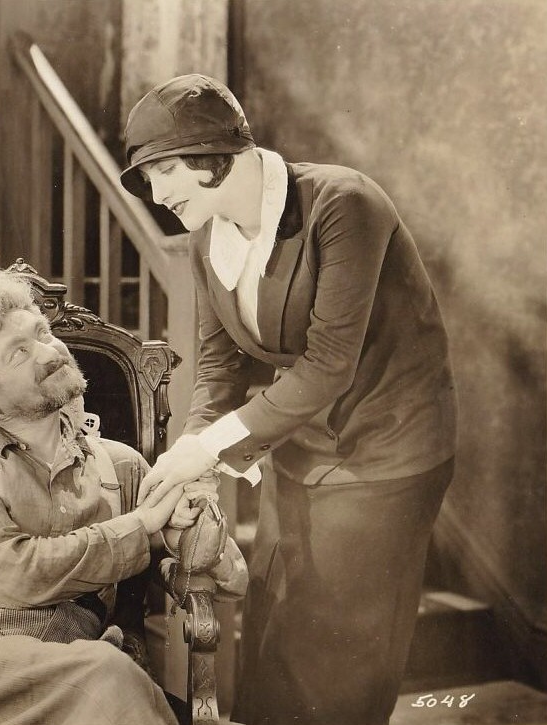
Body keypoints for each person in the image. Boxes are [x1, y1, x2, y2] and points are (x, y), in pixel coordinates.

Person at [120, 74, 457, 725]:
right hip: (298, 447)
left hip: (384, 454)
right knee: (275, 631)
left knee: (338, 657)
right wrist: (196, 449)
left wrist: (208, 451)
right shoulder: (204, 238)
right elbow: (217, 368)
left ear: (214, 152)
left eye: (163, 171)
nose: (156, 194)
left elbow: (328, 366)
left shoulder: (344, 204)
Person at [0, 269, 247, 725]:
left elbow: (232, 580)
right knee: (109, 677)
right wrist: (142, 527)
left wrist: (190, 528)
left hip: (75, 659)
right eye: (20, 352)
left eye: (42, 333)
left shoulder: (120, 464)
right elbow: (18, 576)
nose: (51, 352)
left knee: (108, 676)